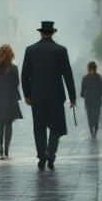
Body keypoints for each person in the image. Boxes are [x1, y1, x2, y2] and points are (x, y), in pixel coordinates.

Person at [21, 20, 77, 171]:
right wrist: (72, 96)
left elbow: (25, 75)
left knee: (39, 127)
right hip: (56, 95)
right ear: (53, 33)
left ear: (41, 32)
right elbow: (68, 74)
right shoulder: (60, 50)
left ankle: (41, 156)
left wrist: (27, 94)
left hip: (37, 95)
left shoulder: (30, 50)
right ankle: (51, 153)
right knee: (56, 125)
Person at [0, 44, 22, 158]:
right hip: (10, 97)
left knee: (0, 124)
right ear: (11, 55)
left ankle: (0, 145)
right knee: (9, 123)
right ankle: (7, 146)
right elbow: (17, 83)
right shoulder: (14, 68)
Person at [80, 61, 102, 138]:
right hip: (97, 99)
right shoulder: (99, 77)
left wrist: (84, 95)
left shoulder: (85, 78)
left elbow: (82, 92)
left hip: (88, 100)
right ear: (95, 68)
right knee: (96, 115)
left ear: (88, 68)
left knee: (89, 116)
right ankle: (95, 130)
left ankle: (91, 131)